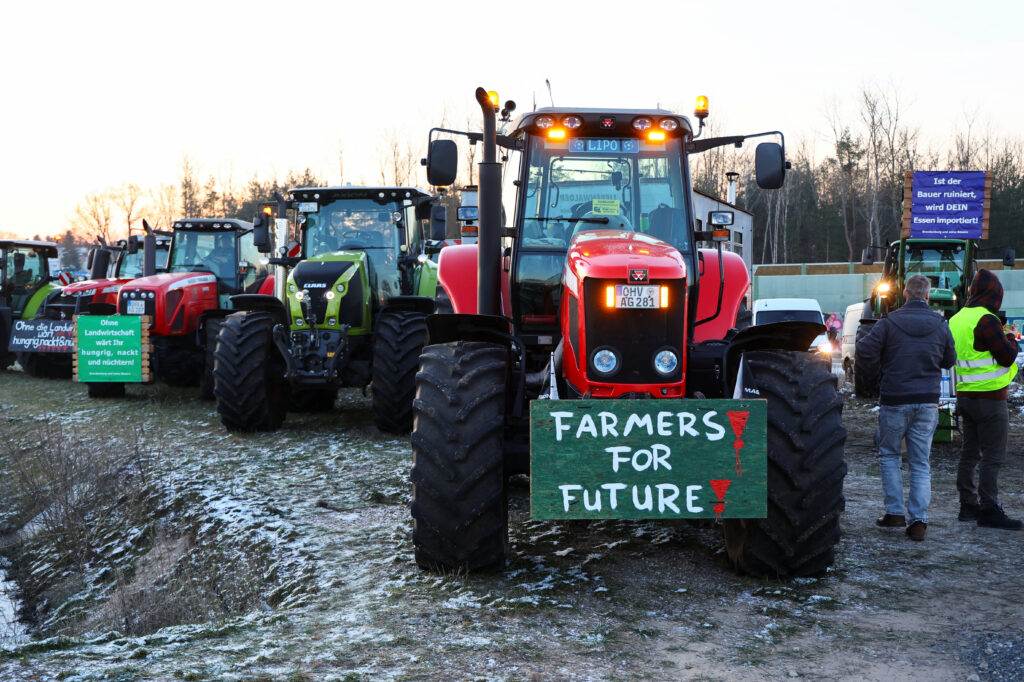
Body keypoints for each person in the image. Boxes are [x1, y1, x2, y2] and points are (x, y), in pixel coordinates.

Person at [856, 274, 956, 541]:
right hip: (927, 403)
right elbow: (949, 360)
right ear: (927, 296)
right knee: (920, 462)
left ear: (904, 294)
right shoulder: (940, 324)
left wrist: (881, 367)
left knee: (889, 456)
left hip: (895, 400)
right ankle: (919, 521)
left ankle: (894, 513)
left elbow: (863, 350)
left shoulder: (889, 323)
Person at [948, 268, 1023, 530]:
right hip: (990, 399)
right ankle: (989, 508)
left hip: (965, 397)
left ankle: (967, 505)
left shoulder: (956, 319)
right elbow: (1006, 356)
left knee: (969, 452)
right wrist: (1012, 338)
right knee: (993, 454)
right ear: (994, 295)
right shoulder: (987, 319)